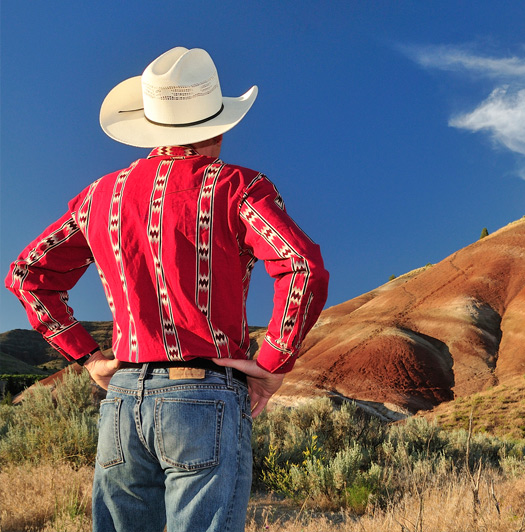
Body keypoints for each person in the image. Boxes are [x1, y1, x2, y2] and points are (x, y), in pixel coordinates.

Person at [5, 46, 329, 531]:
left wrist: (89, 357)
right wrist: (271, 363)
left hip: (121, 398)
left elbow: (27, 274)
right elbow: (301, 265)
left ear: (153, 127)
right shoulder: (238, 187)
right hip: (202, 394)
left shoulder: (98, 197)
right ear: (217, 126)